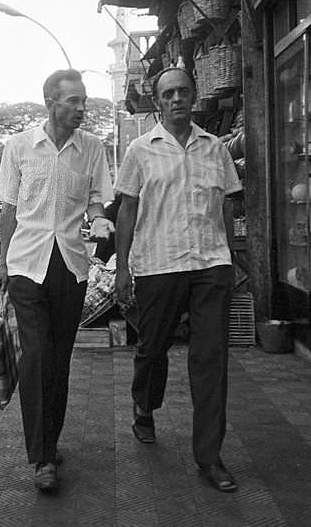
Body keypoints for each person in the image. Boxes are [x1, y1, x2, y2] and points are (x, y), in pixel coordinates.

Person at [113, 66, 243, 493]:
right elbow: (127, 210)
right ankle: (145, 407)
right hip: (159, 264)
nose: (176, 99)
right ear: (158, 100)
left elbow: (227, 206)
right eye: (167, 93)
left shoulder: (215, 149)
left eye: (182, 91)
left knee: (211, 359)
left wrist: (235, 259)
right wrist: (123, 268)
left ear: (193, 95)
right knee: (152, 349)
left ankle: (210, 457)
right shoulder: (139, 150)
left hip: (210, 264)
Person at [0, 68, 114, 493]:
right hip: (27, 263)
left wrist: (99, 221)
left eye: (84, 100)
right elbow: (8, 209)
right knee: (37, 355)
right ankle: (42, 458)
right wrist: (3, 263)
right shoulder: (19, 146)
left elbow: (98, 201)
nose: (82, 108)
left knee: (59, 359)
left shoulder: (92, 149)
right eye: (74, 101)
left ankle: (50, 440)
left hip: (71, 265)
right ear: (51, 102)